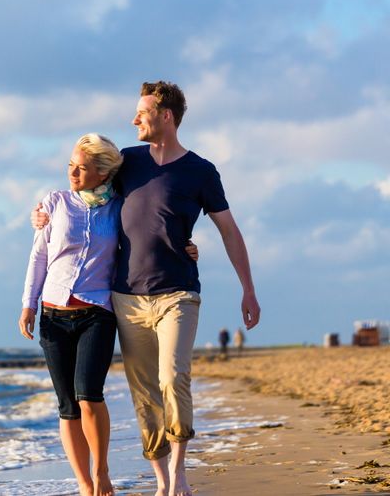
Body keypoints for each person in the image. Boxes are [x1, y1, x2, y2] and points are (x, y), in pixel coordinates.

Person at [31, 81, 260, 496]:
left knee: (173, 377)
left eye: (142, 112)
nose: (134, 119)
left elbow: (229, 229)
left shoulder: (201, 171)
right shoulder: (129, 162)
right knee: (144, 393)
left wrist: (248, 288)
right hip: (126, 296)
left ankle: (179, 475)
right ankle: (160, 481)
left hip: (178, 291)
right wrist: (44, 211)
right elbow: (85, 189)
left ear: (165, 115)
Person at [19, 133, 199, 496]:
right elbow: (39, 256)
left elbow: (148, 235)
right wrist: (29, 303)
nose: (72, 172)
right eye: (71, 165)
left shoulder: (119, 207)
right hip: (53, 314)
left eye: (82, 168)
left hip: (97, 312)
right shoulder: (54, 204)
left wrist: (186, 247)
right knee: (67, 405)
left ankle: (101, 473)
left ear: (103, 173)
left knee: (89, 395)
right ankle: (85, 484)